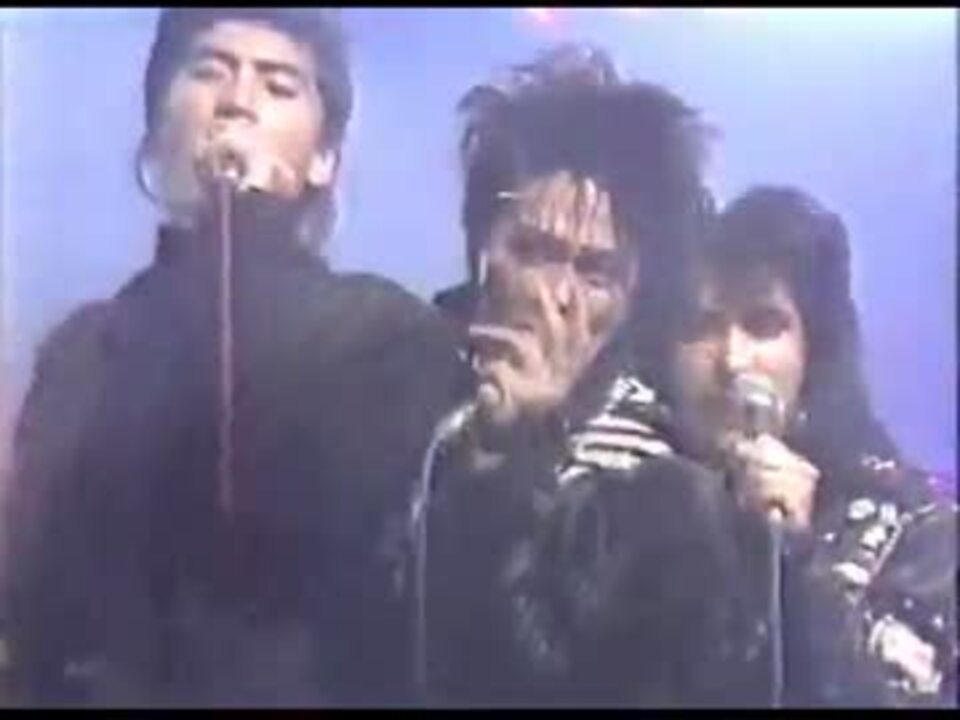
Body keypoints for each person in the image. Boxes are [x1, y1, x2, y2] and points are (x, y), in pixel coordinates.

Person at [2, 8, 460, 706]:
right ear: (156, 129)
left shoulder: (382, 331)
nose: (237, 102)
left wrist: (244, 233)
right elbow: (38, 594)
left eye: (278, 86)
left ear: (324, 159)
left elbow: (295, 515)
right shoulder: (83, 350)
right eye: (209, 71)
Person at [419, 44, 737, 706]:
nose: (556, 296)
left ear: (635, 293)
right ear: (482, 249)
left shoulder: (662, 479)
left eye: (596, 272)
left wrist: (521, 457)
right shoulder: (400, 382)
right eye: (533, 251)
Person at [662, 185, 957, 706]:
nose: (732, 360)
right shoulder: (621, 492)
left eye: (763, 325)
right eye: (703, 325)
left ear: (813, 354)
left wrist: (792, 566)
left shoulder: (917, 531)